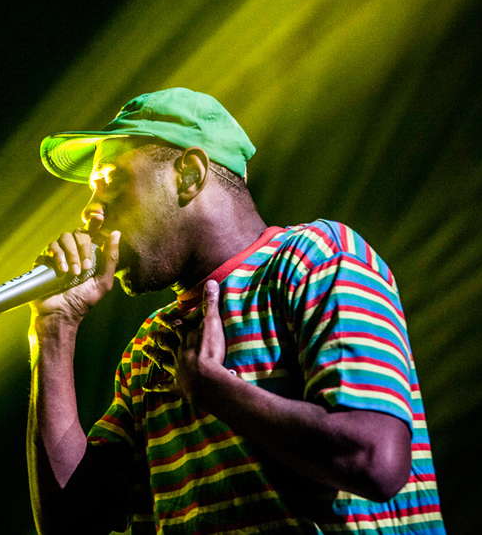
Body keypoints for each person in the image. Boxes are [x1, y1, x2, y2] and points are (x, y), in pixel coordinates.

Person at [27, 88, 444, 534]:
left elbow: (375, 460)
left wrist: (218, 392)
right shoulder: (149, 347)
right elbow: (69, 522)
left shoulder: (315, 258)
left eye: (110, 181)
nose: (90, 211)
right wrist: (54, 328)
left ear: (189, 175)